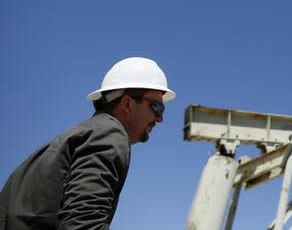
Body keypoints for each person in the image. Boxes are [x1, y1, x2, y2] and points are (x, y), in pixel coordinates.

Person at [0, 57, 175, 230]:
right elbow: (82, 224)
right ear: (127, 103)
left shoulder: (83, 135)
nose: (160, 118)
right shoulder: (109, 134)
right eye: (157, 107)